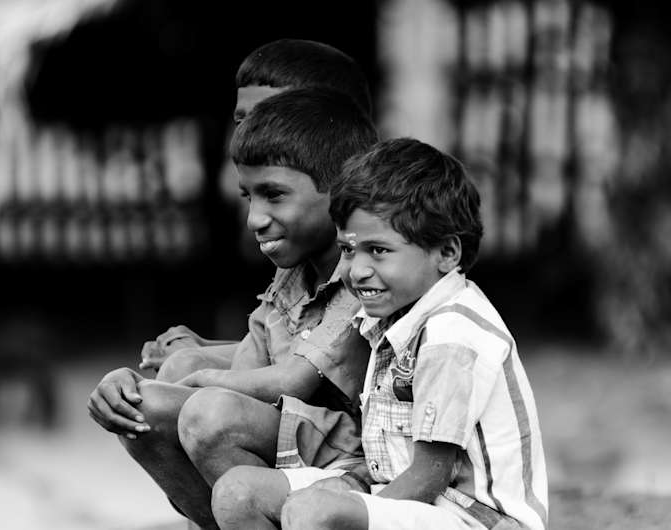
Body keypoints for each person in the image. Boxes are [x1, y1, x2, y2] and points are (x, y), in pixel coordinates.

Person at [210, 137, 548, 530]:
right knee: (238, 493)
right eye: (349, 251)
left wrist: (346, 505)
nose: (356, 271)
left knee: (314, 513)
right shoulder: (392, 315)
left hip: (473, 518)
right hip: (404, 497)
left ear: (446, 253)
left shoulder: (451, 336)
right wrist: (345, 488)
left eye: (379, 251)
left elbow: (427, 477)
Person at [88, 87, 378, 529]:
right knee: (138, 408)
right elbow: (249, 364)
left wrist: (198, 378)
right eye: (248, 198)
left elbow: (293, 381)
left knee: (211, 414)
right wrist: (127, 385)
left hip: (355, 457)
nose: (254, 219)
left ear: (338, 191)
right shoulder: (291, 276)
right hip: (303, 435)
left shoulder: (361, 273)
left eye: (274, 195)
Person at [140, 38, 373, 383]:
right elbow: (290, 346)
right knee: (180, 368)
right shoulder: (299, 254)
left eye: (269, 118)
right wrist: (200, 350)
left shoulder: (368, 253)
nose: (250, 135)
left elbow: (307, 370)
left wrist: (202, 374)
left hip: (339, 426)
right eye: (242, 121)